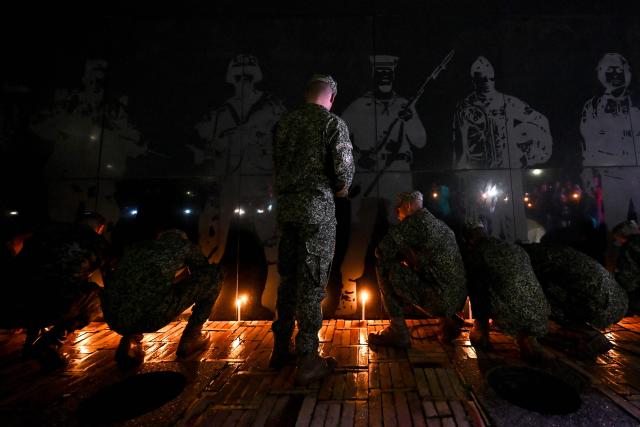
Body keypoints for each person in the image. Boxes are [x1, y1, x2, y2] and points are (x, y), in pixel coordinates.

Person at [270, 73, 354, 385]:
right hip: (316, 212)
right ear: (331, 97)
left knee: (288, 280)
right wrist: (339, 190)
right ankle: (307, 357)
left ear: (307, 93)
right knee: (311, 283)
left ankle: (280, 349)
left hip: (288, 212)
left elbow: (277, 169)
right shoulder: (333, 124)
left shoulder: (284, 124)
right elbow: (344, 174)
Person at [340, 55, 427, 315]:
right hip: (368, 178)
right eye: (381, 72)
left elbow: (420, 140)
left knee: (405, 237)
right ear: (374, 75)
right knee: (359, 235)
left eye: (389, 72)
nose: (385, 77)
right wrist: (358, 157)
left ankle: (412, 294)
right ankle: (347, 294)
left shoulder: (405, 105)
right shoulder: (358, 106)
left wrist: (410, 118)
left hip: (397, 176)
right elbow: (342, 139)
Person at [1, 211, 110, 369]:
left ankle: (31, 341)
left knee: (41, 284)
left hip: (12, 305)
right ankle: (50, 343)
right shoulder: (97, 243)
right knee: (98, 296)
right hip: (51, 306)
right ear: (100, 228)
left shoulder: (48, 232)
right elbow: (110, 279)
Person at [101, 229, 224, 367]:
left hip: (113, 317)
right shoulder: (184, 246)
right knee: (214, 275)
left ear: (159, 237)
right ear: (182, 238)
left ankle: (130, 339)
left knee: (139, 292)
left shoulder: (136, 247)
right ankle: (192, 336)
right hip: (149, 317)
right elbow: (201, 272)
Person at [368, 191, 468, 348]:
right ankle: (448, 319)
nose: (397, 215)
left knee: (383, 264)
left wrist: (400, 257)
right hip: (459, 301)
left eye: (398, 210)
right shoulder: (439, 225)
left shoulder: (414, 223)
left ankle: (398, 330)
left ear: (407, 206)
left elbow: (381, 250)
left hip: (440, 300)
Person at [460, 224, 553, 361]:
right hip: (541, 314)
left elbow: (478, 289)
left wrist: (481, 324)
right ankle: (529, 340)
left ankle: (482, 334)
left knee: (480, 285)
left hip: (514, 316)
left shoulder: (478, 253)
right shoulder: (513, 248)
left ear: (470, 240)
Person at [520, 242, 628, 356]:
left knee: (540, 304)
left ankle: (585, 336)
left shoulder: (533, 259)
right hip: (620, 301)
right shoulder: (551, 250)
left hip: (602, 309)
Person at [612, 220, 640, 313]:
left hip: (635, 294)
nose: (617, 241)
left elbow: (626, 274)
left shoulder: (628, 247)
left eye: (617, 238)